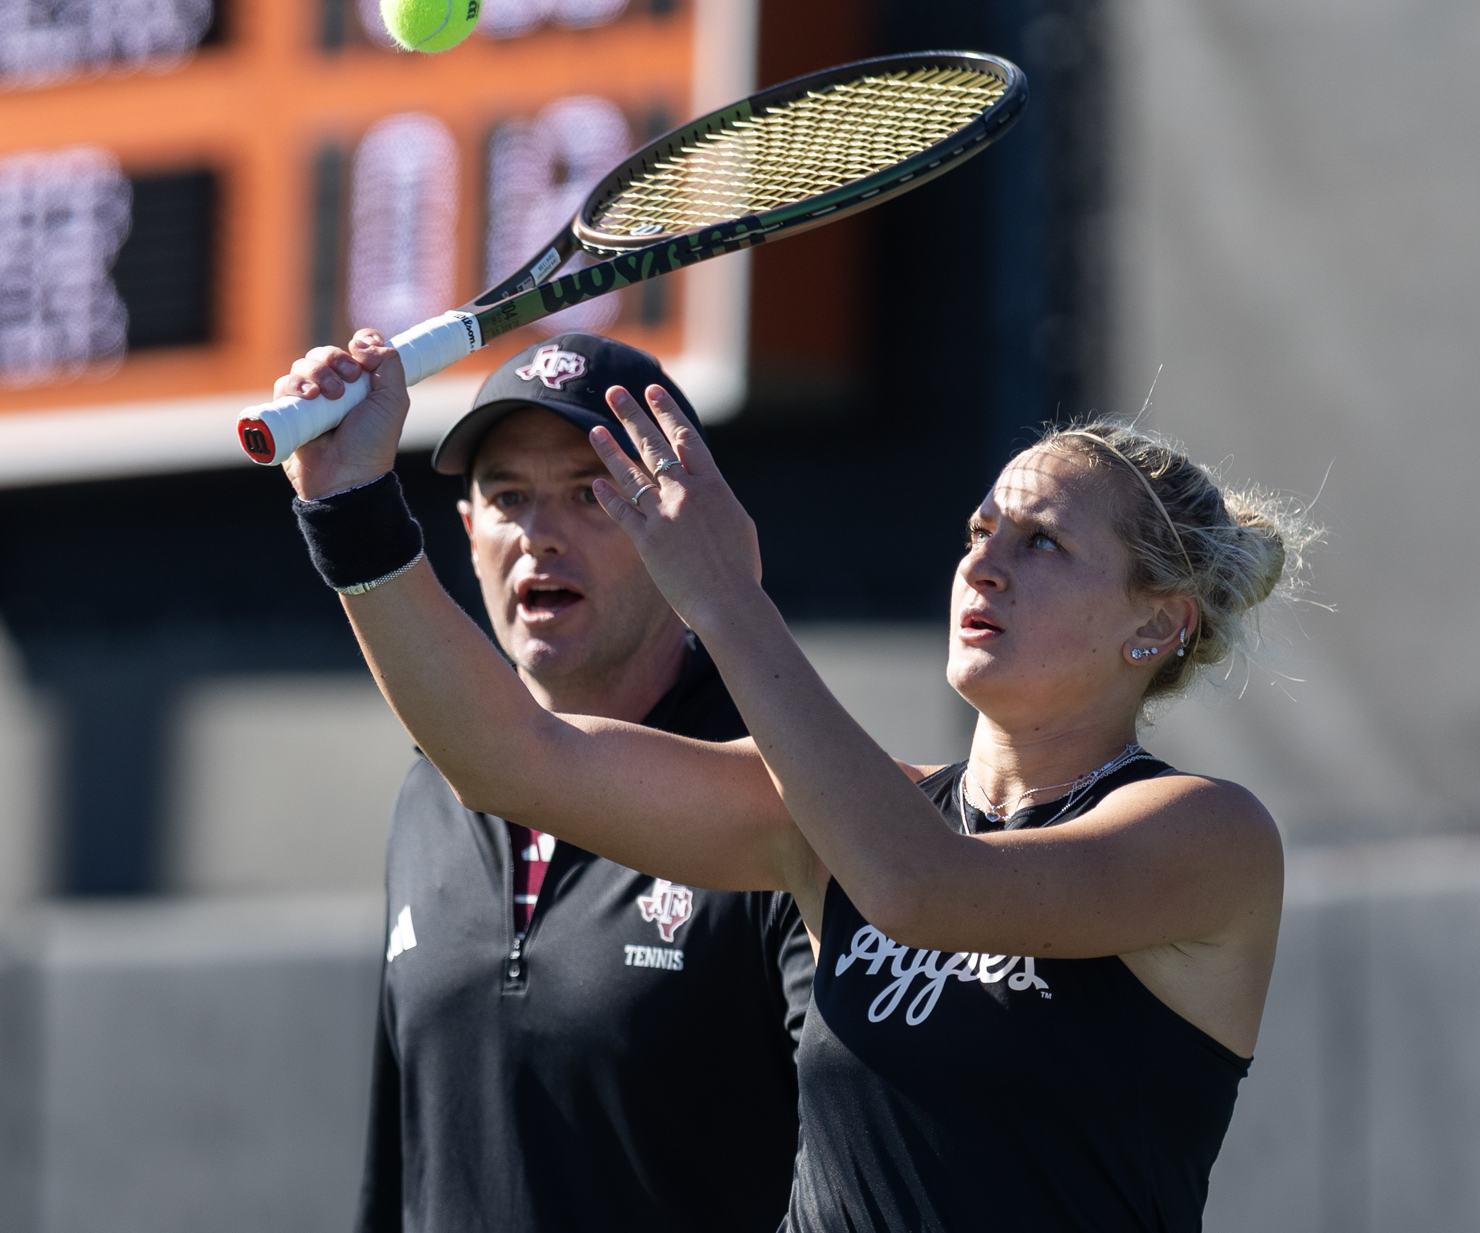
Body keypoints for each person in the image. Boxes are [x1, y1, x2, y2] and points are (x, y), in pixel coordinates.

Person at [275, 331, 1316, 1232]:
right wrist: (352, 505)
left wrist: (725, 598)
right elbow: (510, 760)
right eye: (977, 532)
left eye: (1040, 542)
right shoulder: (841, 823)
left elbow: (922, 890)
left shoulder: (1204, 837)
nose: (984, 565)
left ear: (1156, 622)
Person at [311, 334, 813, 1233]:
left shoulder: (779, 786)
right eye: (508, 497)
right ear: (466, 533)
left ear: (675, 525)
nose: (540, 532)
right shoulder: (431, 792)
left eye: (591, 493)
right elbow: (400, 1173)